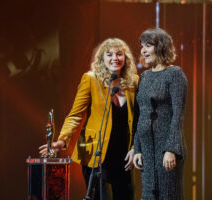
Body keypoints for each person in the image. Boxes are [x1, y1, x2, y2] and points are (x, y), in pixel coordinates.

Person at [39, 38, 139, 200]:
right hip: (96, 153)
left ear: (125, 58)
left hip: (123, 154)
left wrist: (136, 147)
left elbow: (138, 121)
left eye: (119, 54)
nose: (115, 58)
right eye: (109, 54)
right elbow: (75, 115)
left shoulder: (133, 82)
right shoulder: (91, 79)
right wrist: (62, 141)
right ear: (102, 59)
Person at [133, 28, 188, 200]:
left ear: (161, 47)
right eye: (142, 46)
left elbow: (178, 115)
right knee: (149, 195)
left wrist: (171, 149)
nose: (143, 50)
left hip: (166, 147)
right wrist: (137, 148)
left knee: (168, 195)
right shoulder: (144, 77)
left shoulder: (175, 74)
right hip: (147, 148)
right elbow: (140, 115)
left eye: (148, 45)